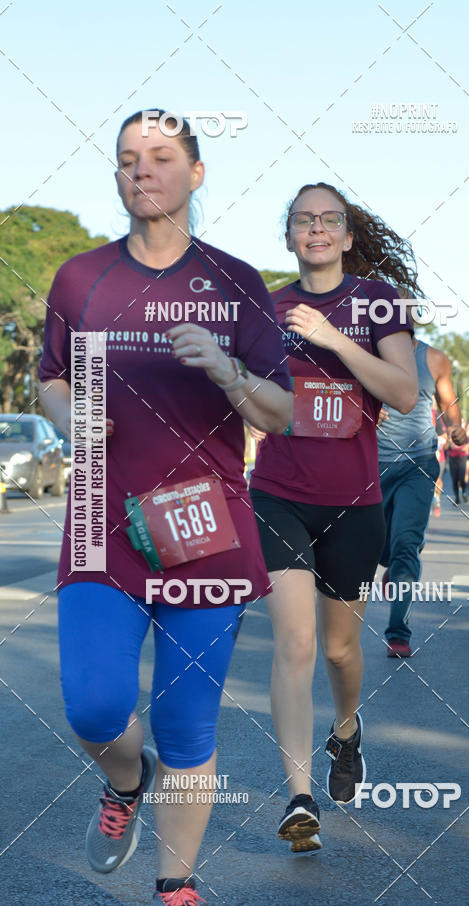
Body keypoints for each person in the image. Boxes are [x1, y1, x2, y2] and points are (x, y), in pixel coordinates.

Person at [38, 109, 292, 905]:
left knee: (188, 727)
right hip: (101, 527)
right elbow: (48, 377)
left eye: (158, 157)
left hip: (205, 533)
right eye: (125, 159)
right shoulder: (81, 277)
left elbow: (277, 413)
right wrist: (65, 410)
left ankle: (175, 886)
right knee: (95, 706)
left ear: (196, 172)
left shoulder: (236, 282)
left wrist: (225, 367)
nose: (139, 170)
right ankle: (124, 784)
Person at [249, 182, 419, 852]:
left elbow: (404, 393)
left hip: (354, 503)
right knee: (292, 643)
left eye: (329, 220)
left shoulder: (378, 302)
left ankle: (346, 729)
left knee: (339, 649)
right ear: (289, 235)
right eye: (302, 220)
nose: (315, 229)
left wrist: (334, 342)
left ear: (348, 236)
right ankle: (298, 796)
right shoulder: (263, 304)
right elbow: (251, 395)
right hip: (277, 493)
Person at [376, 322, 467, 657]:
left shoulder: (434, 358)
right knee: (379, 547)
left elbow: (450, 408)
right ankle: (394, 564)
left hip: (419, 462)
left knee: (405, 546)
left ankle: (398, 632)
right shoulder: (365, 353)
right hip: (371, 465)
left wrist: (457, 430)